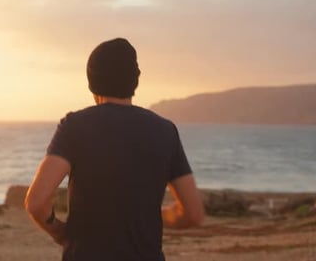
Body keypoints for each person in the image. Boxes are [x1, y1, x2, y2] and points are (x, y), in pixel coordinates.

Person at [25, 38, 204, 261]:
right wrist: (157, 217)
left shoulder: (75, 126)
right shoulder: (165, 131)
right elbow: (193, 213)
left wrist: (58, 230)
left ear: (92, 82)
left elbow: (36, 202)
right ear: (135, 80)